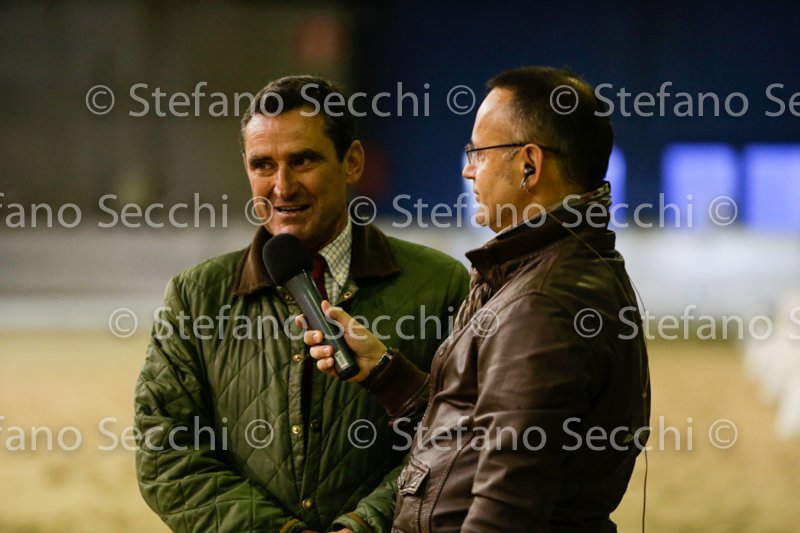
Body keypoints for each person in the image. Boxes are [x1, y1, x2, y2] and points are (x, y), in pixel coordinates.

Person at [305, 66, 651, 532]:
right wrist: (385, 372)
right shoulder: (547, 272)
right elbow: (469, 440)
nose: (468, 169)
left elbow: (506, 506)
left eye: (478, 152)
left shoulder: (541, 303)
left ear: (529, 165)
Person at [134, 75, 469, 533]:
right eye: (263, 165)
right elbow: (165, 452)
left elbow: (461, 437)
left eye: (303, 160)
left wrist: (364, 525)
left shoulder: (442, 285)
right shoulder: (195, 297)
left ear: (352, 162)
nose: (282, 186)